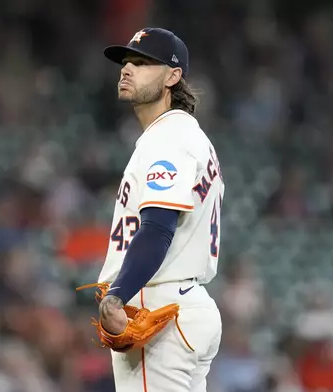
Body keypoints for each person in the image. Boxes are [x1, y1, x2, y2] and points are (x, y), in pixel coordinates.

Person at [94, 27, 224, 392]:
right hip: (186, 304)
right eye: (126, 61)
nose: (127, 68)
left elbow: (158, 227)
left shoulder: (169, 136)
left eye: (143, 62)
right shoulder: (188, 137)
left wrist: (119, 293)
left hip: (159, 304)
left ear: (173, 75)